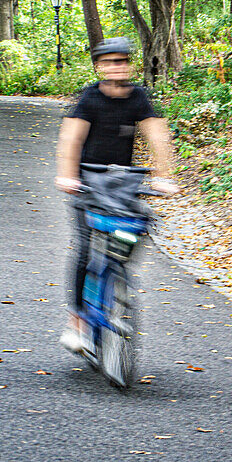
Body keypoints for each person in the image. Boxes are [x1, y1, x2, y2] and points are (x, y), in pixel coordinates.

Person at [55, 37, 179, 353]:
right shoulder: (89, 98)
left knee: (131, 233)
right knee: (85, 249)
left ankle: (116, 281)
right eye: (110, 62)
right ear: (99, 67)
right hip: (88, 185)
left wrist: (164, 177)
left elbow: (157, 136)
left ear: (130, 65)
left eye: (122, 61)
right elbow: (71, 139)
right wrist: (68, 176)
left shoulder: (138, 97)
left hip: (122, 185)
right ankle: (78, 321)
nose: (117, 67)